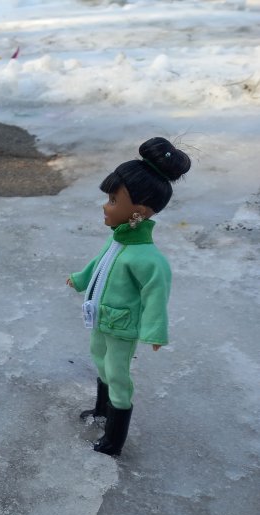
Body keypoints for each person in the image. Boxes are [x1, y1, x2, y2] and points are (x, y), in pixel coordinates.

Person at [67, 137, 191, 456]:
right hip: (101, 317)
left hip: (122, 326)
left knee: (118, 374)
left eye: (113, 200)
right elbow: (99, 264)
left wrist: (154, 331)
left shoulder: (148, 258)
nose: (105, 206)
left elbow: (156, 294)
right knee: (99, 360)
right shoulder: (118, 242)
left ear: (138, 212)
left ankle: (114, 438)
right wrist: (81, 279)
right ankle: (101, 411)